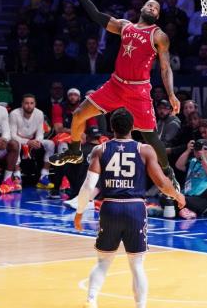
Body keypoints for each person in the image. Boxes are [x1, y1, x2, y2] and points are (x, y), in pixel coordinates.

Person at [48, 0, 180, 191]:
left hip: (138, 91)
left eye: (156, 8)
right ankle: (74, 151)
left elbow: (165, 68)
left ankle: (168, 172)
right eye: (150, 5)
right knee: (78, 114)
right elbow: (97, 16)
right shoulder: (125, 26)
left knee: (150, 137)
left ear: (158, 16)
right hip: (116, 85)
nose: (153, 8)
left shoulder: (159, 35)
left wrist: (171, 94)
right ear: (142, 8)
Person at [73, 108, 185, 308]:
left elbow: (88, 187)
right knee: (137, 265)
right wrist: (177, 195)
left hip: (110, 208)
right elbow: (161, 183)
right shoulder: (145, 150)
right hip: (135, 208)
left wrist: (80, 212)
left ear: (111, 127)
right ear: (133, 127)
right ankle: (140, 306)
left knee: (103, 262)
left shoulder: (100, 150)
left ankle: (91, 300)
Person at [175, 138, 207, 218]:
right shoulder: (193, 162)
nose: (197, 152)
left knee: (179, 201)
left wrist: (202, 158)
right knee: (167, 196)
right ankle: (186, 210)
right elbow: (179, 165)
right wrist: (187, 151)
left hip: (206, 200)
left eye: (199, 149)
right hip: (189, 197)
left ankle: (183, 210)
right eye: (195, 149)